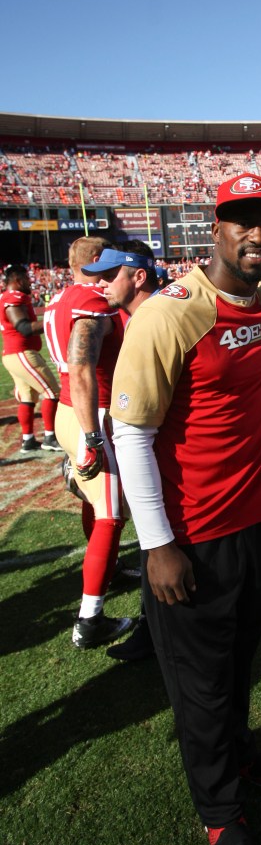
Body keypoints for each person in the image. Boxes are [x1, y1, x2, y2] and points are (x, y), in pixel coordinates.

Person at [109, 173, 261, 845]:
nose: (255, 236)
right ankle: (218, 813)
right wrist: (157, 545)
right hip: (189, 540)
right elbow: (131, 433)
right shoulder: (170, 313)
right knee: (200, 686)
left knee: (237, 663)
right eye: (241, 222)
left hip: (252, 528)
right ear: (216, 228)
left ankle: (235, 752)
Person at [43, 239, 153, 649]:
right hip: (94, 411)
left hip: (68, 409)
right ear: (94, 262)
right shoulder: (94, 299)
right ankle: (90, 620)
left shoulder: (59, 298)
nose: (109, 274)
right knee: (110, 515)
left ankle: (108, 570)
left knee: (94, 502)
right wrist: (92, 435)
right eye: (104, 264)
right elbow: (81, 364)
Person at [79, 239, 160, 661]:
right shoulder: (133, 317)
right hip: (153, 452)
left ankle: (157, 634)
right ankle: (155, 628)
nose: (103, 284)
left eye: (111, 275)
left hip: (170, 459)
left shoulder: (157, 319)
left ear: (138, 276)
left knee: (159, 543)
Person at [0, 265, 61, 452]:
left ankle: (28, 439)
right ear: (18, 280)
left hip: (13, 353)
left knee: (28, 397)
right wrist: (53, 320)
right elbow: (24, 327)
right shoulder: (14, 297)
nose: (29, 282)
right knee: (53, 392)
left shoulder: (6, 297)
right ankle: (50, 437)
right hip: (21, 352)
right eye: (26, 279)